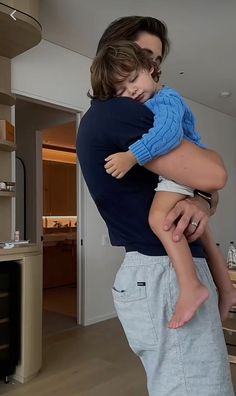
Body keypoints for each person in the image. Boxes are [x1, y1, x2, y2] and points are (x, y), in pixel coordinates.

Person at [77, 16, 234, 396]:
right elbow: (214, 173)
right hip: (161, 270)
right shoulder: (121, 112)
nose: (151, 68)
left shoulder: (148, 107)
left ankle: (223, 287)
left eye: (155, 60)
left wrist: (202, 198)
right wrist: (206, 190)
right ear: (113, 54)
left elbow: (204, 181)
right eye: (143, 54)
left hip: (162, 267)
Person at [90, 40, 236, 329]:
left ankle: (191, 286)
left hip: (177, 176)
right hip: (179, 178)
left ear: (150, 67)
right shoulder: (149, 103)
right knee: (202, 234)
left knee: (159, 218)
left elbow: (168, 135)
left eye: (133, 79)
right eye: (120, 91)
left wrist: (133, 156)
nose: (130, 91)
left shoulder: (167, 99)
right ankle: (227, 289)